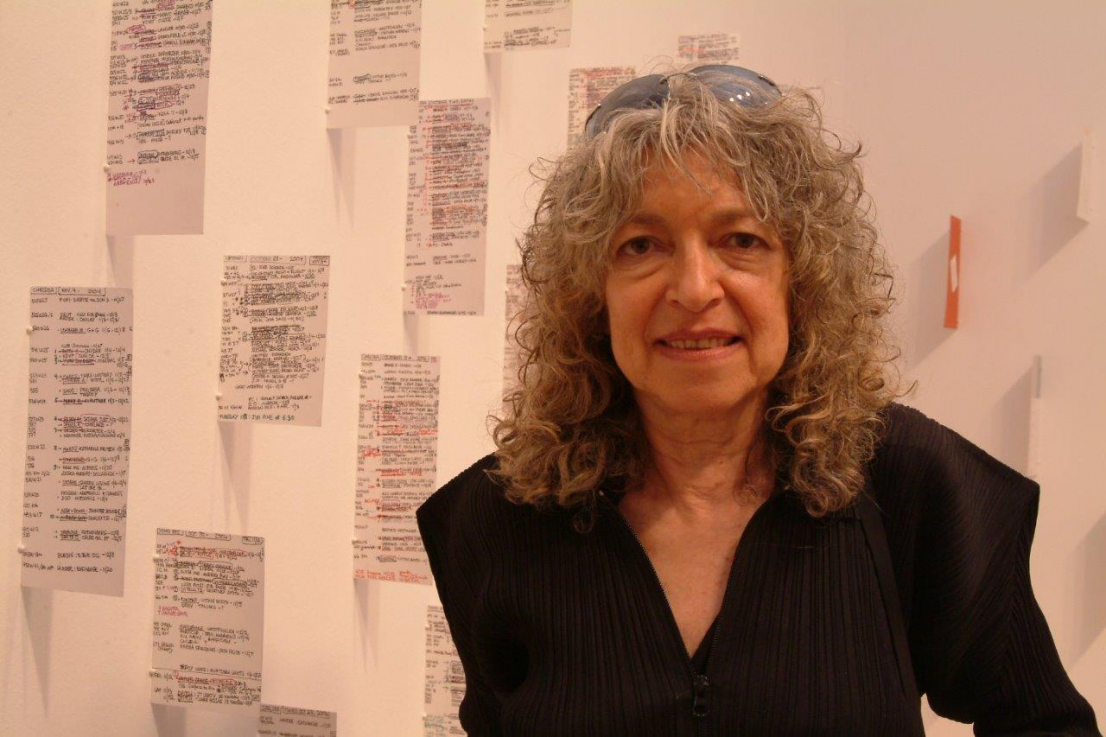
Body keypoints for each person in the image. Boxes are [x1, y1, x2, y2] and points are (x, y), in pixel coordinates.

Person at [416, 65, 1099, 735]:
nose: (694, 288)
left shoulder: (912, 482)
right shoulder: (499, 514)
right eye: (641, 245)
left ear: (802, 278)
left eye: (740, 240)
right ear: (591, 291)